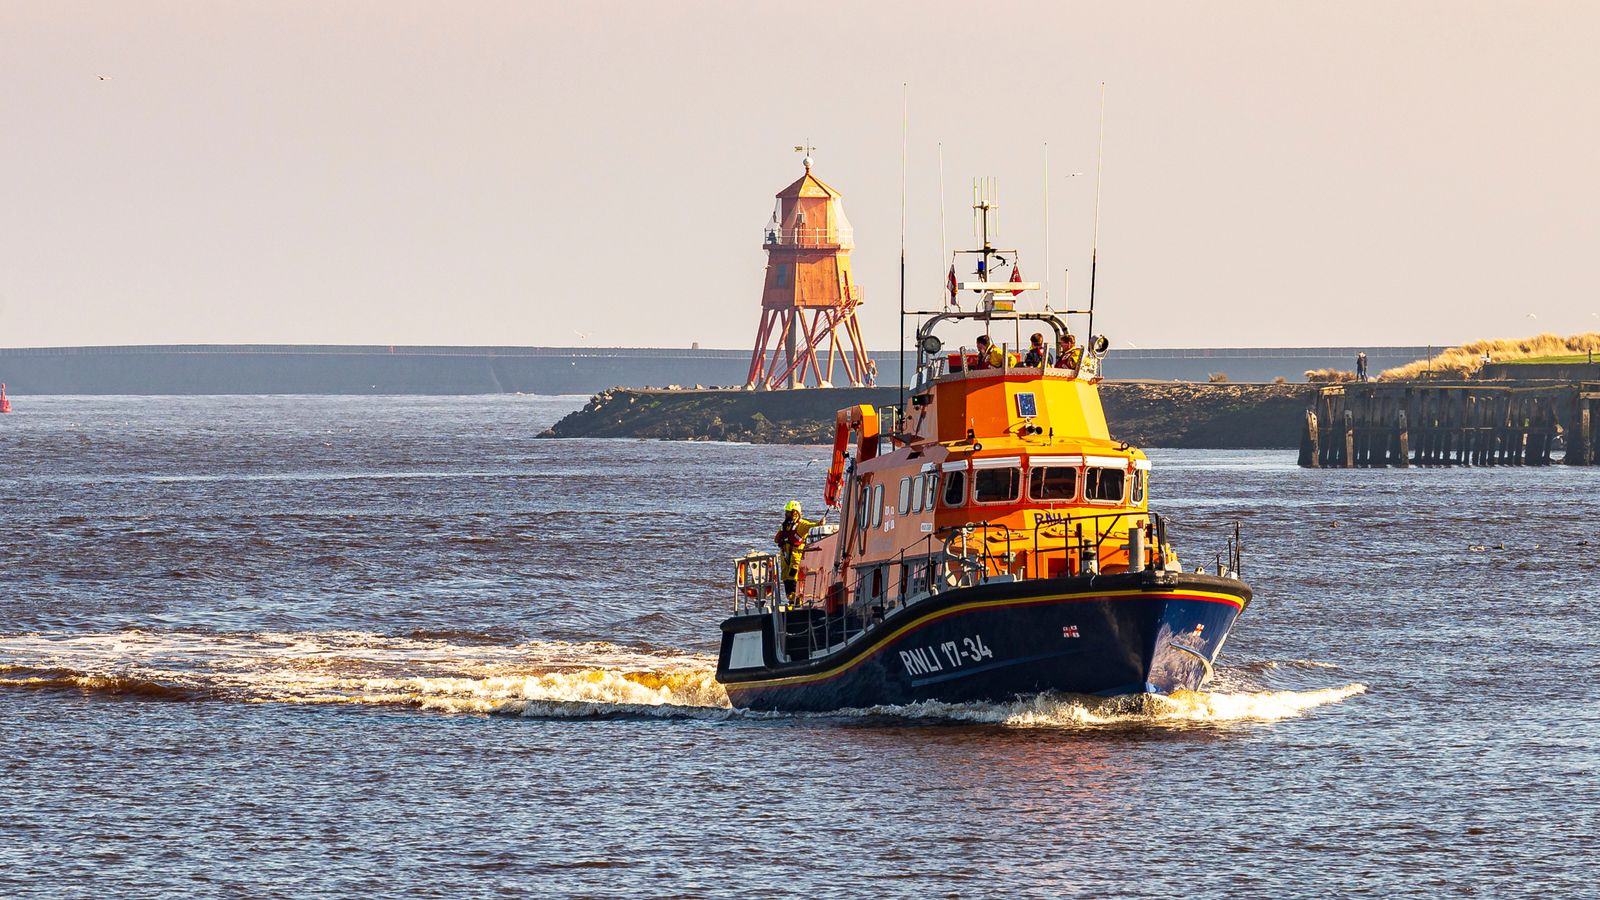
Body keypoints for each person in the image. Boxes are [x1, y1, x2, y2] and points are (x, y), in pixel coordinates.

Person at [774, 500, 821, 601]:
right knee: (786, 580)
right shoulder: (784, 526)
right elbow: (776, 539)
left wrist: (820, 523)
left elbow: (812, 526)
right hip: (785, 558)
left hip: (796, 559)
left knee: (794, 580)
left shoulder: (801, 525)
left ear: (795, 513)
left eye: (788, 512)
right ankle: (791, 601)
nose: (786, 514)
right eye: (786, 512)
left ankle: (797, 601)